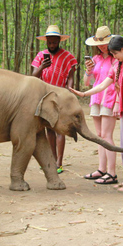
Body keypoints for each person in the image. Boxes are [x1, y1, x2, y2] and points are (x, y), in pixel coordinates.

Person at [70, 35, 123, 192]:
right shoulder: (118, 65)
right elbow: (102, 85)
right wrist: (84, 94)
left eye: (115, 54)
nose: (114, 57)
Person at [32, 25, 78, 174]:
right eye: (49, 42)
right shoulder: (40, 56)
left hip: (60, 95)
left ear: (59, 41)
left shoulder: (68, 57)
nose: (52, 45)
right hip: (44, 96)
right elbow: (33, 77)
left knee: (60, 130)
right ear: (46, 41)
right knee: (48, 129)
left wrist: (69, 91)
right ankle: (51, 158)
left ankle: (59, 162)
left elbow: (71, 76)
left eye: (54, 42)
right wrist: (42, 67)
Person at [82, 26, 119, 185]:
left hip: (110, 98)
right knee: (99, 135)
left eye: (105, 43)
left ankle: (112, 172)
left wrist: (118, 101)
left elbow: (119, 82)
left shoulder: (116, 59)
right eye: (99, 43)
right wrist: (88, 71)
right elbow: (86, 83)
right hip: (96, 98)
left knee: (107, 135)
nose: (102, 46)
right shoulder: (96, 59)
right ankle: (101, 169)